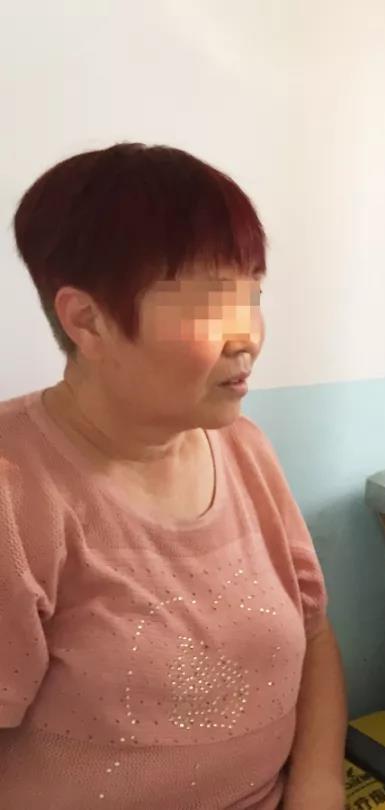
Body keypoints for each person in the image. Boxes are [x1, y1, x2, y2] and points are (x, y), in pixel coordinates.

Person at [0, 144, 347, 809]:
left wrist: (318, 789)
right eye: (214, 304)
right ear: (88, 320)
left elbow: (315, 635)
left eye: (253, 294)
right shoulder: (17, 496)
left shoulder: (245, 450)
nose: (248, 337)